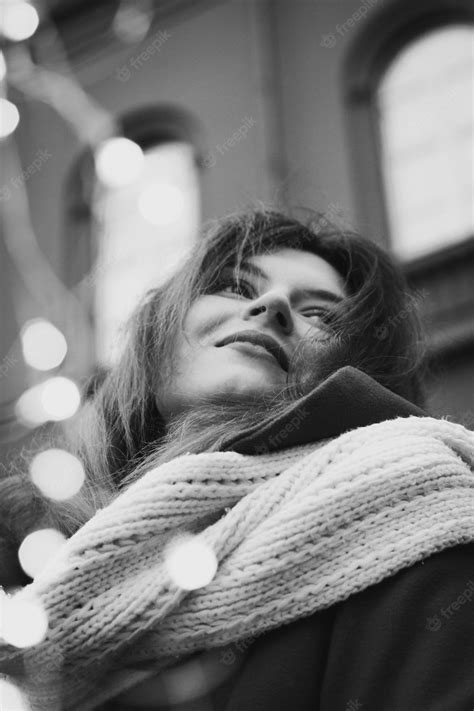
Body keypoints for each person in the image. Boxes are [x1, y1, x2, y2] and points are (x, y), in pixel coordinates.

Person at [1, 208, 473, 711]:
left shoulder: (407, 501)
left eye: (322, 315)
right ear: (155, 338)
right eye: (236, 287)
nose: (273, 304)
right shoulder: (22, 540)